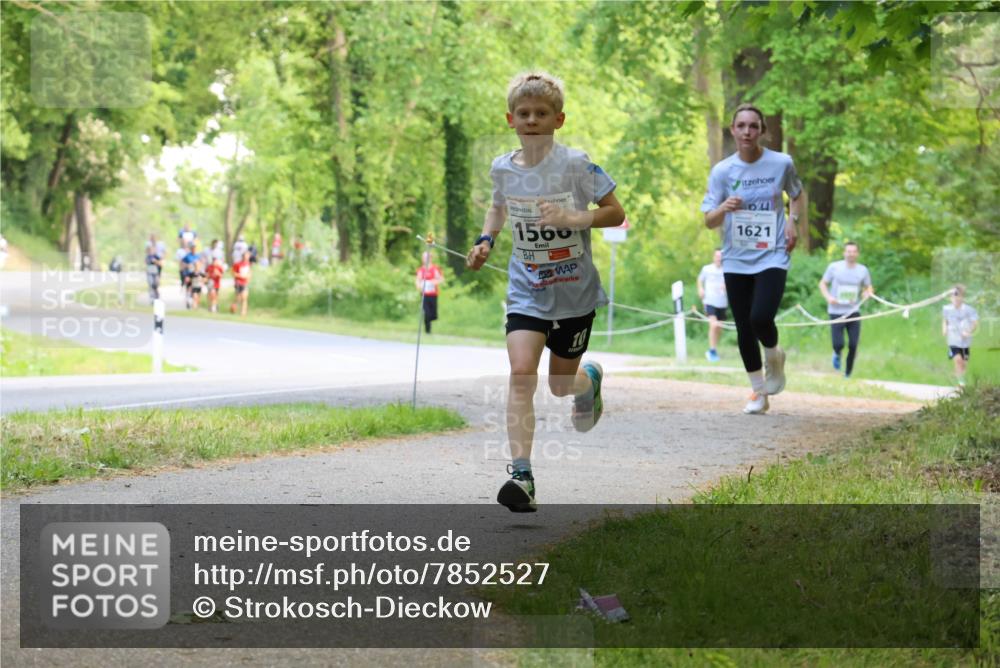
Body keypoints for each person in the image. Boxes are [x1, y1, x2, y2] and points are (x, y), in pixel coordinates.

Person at [466, 71, 626, 513]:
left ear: (559, 119)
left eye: (541, 113)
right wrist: (486, 241)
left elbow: (615, 212)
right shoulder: (502, 166)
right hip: (527, 289)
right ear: (510, 119)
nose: (532, 120)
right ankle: (522, 474)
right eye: (524, 113)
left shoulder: (576, 164)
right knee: (521, 372)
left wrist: (574, 219)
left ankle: (586, 382)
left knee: (558, 385)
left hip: (574, 293)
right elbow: (498, 206)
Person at [701, 103, 807, 415]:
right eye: (741, 126)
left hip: (772, 253)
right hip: (735, 257)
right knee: (744, 327)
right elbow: (709, 220)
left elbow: (797, 193)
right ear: (733, 130)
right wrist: (724, 208)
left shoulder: (781, 163)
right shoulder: (722, 171)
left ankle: (774, 353)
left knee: (760, 317)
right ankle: (759, 393)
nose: (747, 131)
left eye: (753, 126)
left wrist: (792, 221)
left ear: (762, 131)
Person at [819, 241, 873, 378]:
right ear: (844, 253)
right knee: (838, 343)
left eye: (854, 251)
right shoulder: (834, 267)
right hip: (836, 310)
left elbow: (868, 287)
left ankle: (848, 374)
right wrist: (829, 297)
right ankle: (837, 353)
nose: (851, 254)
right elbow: (823, 284)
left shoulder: (862, 270)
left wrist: (867, 293)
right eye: (849, 251)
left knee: (853, 344)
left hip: (854, 311)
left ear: (857, 254)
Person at [942, 284, 979, 387]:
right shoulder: (947, 309)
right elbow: (945, 320)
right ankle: (961, 384)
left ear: (963, 297)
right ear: (950, 298)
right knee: (958, 360)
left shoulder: (969, 310)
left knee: (964, 363)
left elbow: (975, 322)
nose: (956, 298)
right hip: (953, 339)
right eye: (953, 296)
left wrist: (968, 331)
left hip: (965, 341)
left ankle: (957, 374)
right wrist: (944, 328)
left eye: (958, 296)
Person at [697, 248, 728, 362]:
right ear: (713, 257)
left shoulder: (726, 270)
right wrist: (700, 289)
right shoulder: (707, 269)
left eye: (721, 257)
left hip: (722, 302)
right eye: (717, 256)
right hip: (709, 301)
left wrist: (726, 286)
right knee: (713, 325)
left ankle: (714, 348)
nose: (719, 258)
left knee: (719, 327)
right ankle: (712, 350)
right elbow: (699, 279)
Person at [415, 251, 444, 334]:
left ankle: (430, 321)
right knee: (426, 313)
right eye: (424, 258)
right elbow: (418, 280)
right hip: (424, 294)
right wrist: (419, 285)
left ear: (430, 258)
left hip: (433, 294)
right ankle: (428, 331)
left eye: (427, 257)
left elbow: (441, 279)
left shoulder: (435, 269)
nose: (425, 259)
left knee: (433, 314)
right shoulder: (421, 270)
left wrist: (433, 282)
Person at [230, 251, 252, 316]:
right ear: (243, 256)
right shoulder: (237, 264)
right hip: (238, 283)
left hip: (245, 283)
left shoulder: (249, 264)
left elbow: (250, 273)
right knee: (238, 298)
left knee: (244, 297)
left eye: (248, 256)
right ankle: (233, 308)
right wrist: (241, 275)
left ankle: (243, 313)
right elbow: (233, 273)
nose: (247, 257)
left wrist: (248, 277)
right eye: (246, 256)